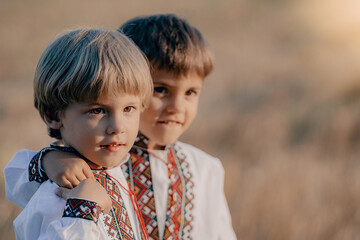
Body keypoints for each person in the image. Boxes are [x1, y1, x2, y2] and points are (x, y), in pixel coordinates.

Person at [4, 14, 237, 239]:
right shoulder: (98, 163)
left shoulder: (203, 167)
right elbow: (16, 176)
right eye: (161, 90)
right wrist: (49, 161)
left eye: (190, 92)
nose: (176, 106)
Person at [6, 28, 153, 240]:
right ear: (54, 115)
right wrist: (82, 211)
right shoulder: (56, 194)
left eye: (129, 108)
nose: (117, 127)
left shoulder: (118, 170)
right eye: (98, 110)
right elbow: (16, 177)